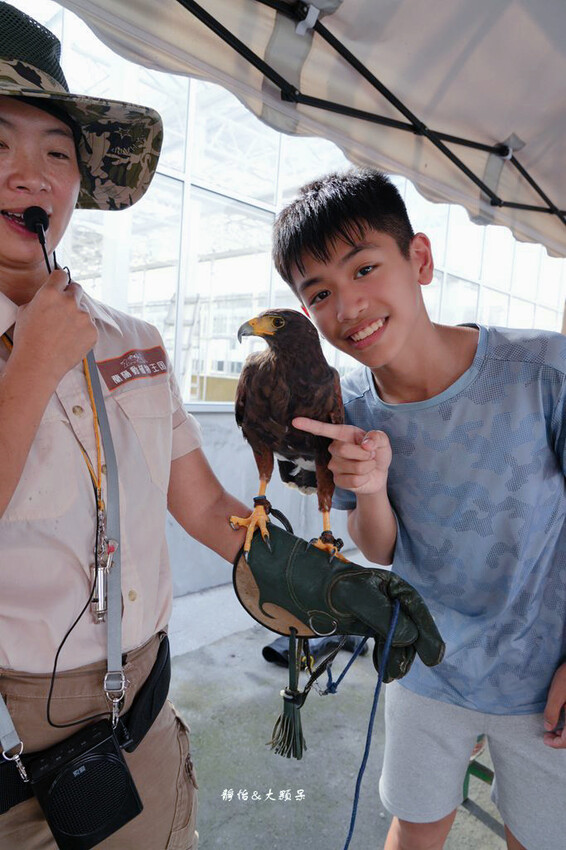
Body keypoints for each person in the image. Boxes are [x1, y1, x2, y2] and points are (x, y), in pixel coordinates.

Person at [0, 4, 248, 848]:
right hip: (15, 738)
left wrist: (294, 566)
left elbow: (209, 506)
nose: (30, 175)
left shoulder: (134, 340)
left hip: (144, 710)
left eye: (56, 152)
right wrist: (30, 367)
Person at [272, 168, 566, 850]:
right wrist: (370, 486)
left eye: (365, 268)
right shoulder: (344, 409)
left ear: (421, 260)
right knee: (416, 824)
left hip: (542, 673)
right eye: (320, 292)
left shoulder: (543, 371)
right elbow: (378, 549)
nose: (349, 307)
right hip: (425, 665)